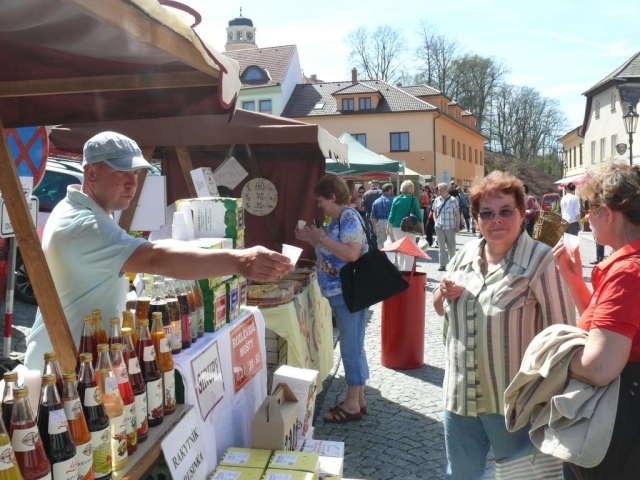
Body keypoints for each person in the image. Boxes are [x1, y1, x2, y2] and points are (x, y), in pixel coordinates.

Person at [25, 131, 293, 371]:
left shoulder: (79, 209)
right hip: (62, 368)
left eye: (136, 173)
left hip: (75, 359)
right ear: (92, 174)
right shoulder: (85, 224)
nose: (132, 183)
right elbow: (154, 257)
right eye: (121, 172)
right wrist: (239, 260)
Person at [434, 171, 575, 479]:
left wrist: (553, 403)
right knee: (461, 476)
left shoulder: (540, 261)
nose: (496, 220)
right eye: (486, 213)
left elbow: (564, 336)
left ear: (522, 214)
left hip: (515, 406)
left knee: (523, 477)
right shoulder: (465, 255)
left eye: (505, 211)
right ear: (475, 218)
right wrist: (442, 293)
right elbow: (439, 305)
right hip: (460, 400)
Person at [553, 164, 640, 479]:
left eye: (589, 208)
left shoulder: (628, 272)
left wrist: (555, 356)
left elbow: (600, 365)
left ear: (609, 213)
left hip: (619, 431)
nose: (586, 216)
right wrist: (576, 282)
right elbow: (616, 330)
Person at [295, 174, 369, 423]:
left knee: (350, 347)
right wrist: (312, 239)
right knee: (354, 345)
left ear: (333, 197)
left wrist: (322, 238)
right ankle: (358, 399)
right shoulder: (339, 219)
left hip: (348, 293)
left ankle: (351, 404)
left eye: (321, 201)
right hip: (343, 293)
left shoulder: (348, 217)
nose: (319, 206)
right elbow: (330, 251)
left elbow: (351, 254)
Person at [387, 180, 425, 270]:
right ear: (412, 189)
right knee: (409, 251)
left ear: (401, 188)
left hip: (397, 227)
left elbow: (391, 215)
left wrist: (388, 227)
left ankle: (401, 272)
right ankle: (407, 272)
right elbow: (419, 216)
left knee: (400, 250)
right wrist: (422, 230)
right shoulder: (414, 200)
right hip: (410, 227)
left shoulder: (396, 199)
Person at [432, 183, 460, 271]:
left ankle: (452, 264)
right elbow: (434, 211)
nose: (438, 191)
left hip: (450, 226)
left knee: (451, 246)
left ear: (445, 190)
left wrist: (457, 226)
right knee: (441, 246)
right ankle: (442, 264)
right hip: (439, 226)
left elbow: (457, 214)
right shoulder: (437, 200)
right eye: (438, 190)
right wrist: (435, 220)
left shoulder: (453, 200)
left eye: (440, 190)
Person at [370, 183, 394, 249]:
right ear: (389, 190)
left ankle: (382, 258)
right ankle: (391, 259)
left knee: (381, 244)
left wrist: (375, 227)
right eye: (392, 190)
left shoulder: (376, 201)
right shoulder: (393, 201)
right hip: (391, 223)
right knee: (392, 244)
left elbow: (373, 216)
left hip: (379, 223)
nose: (393, 191)